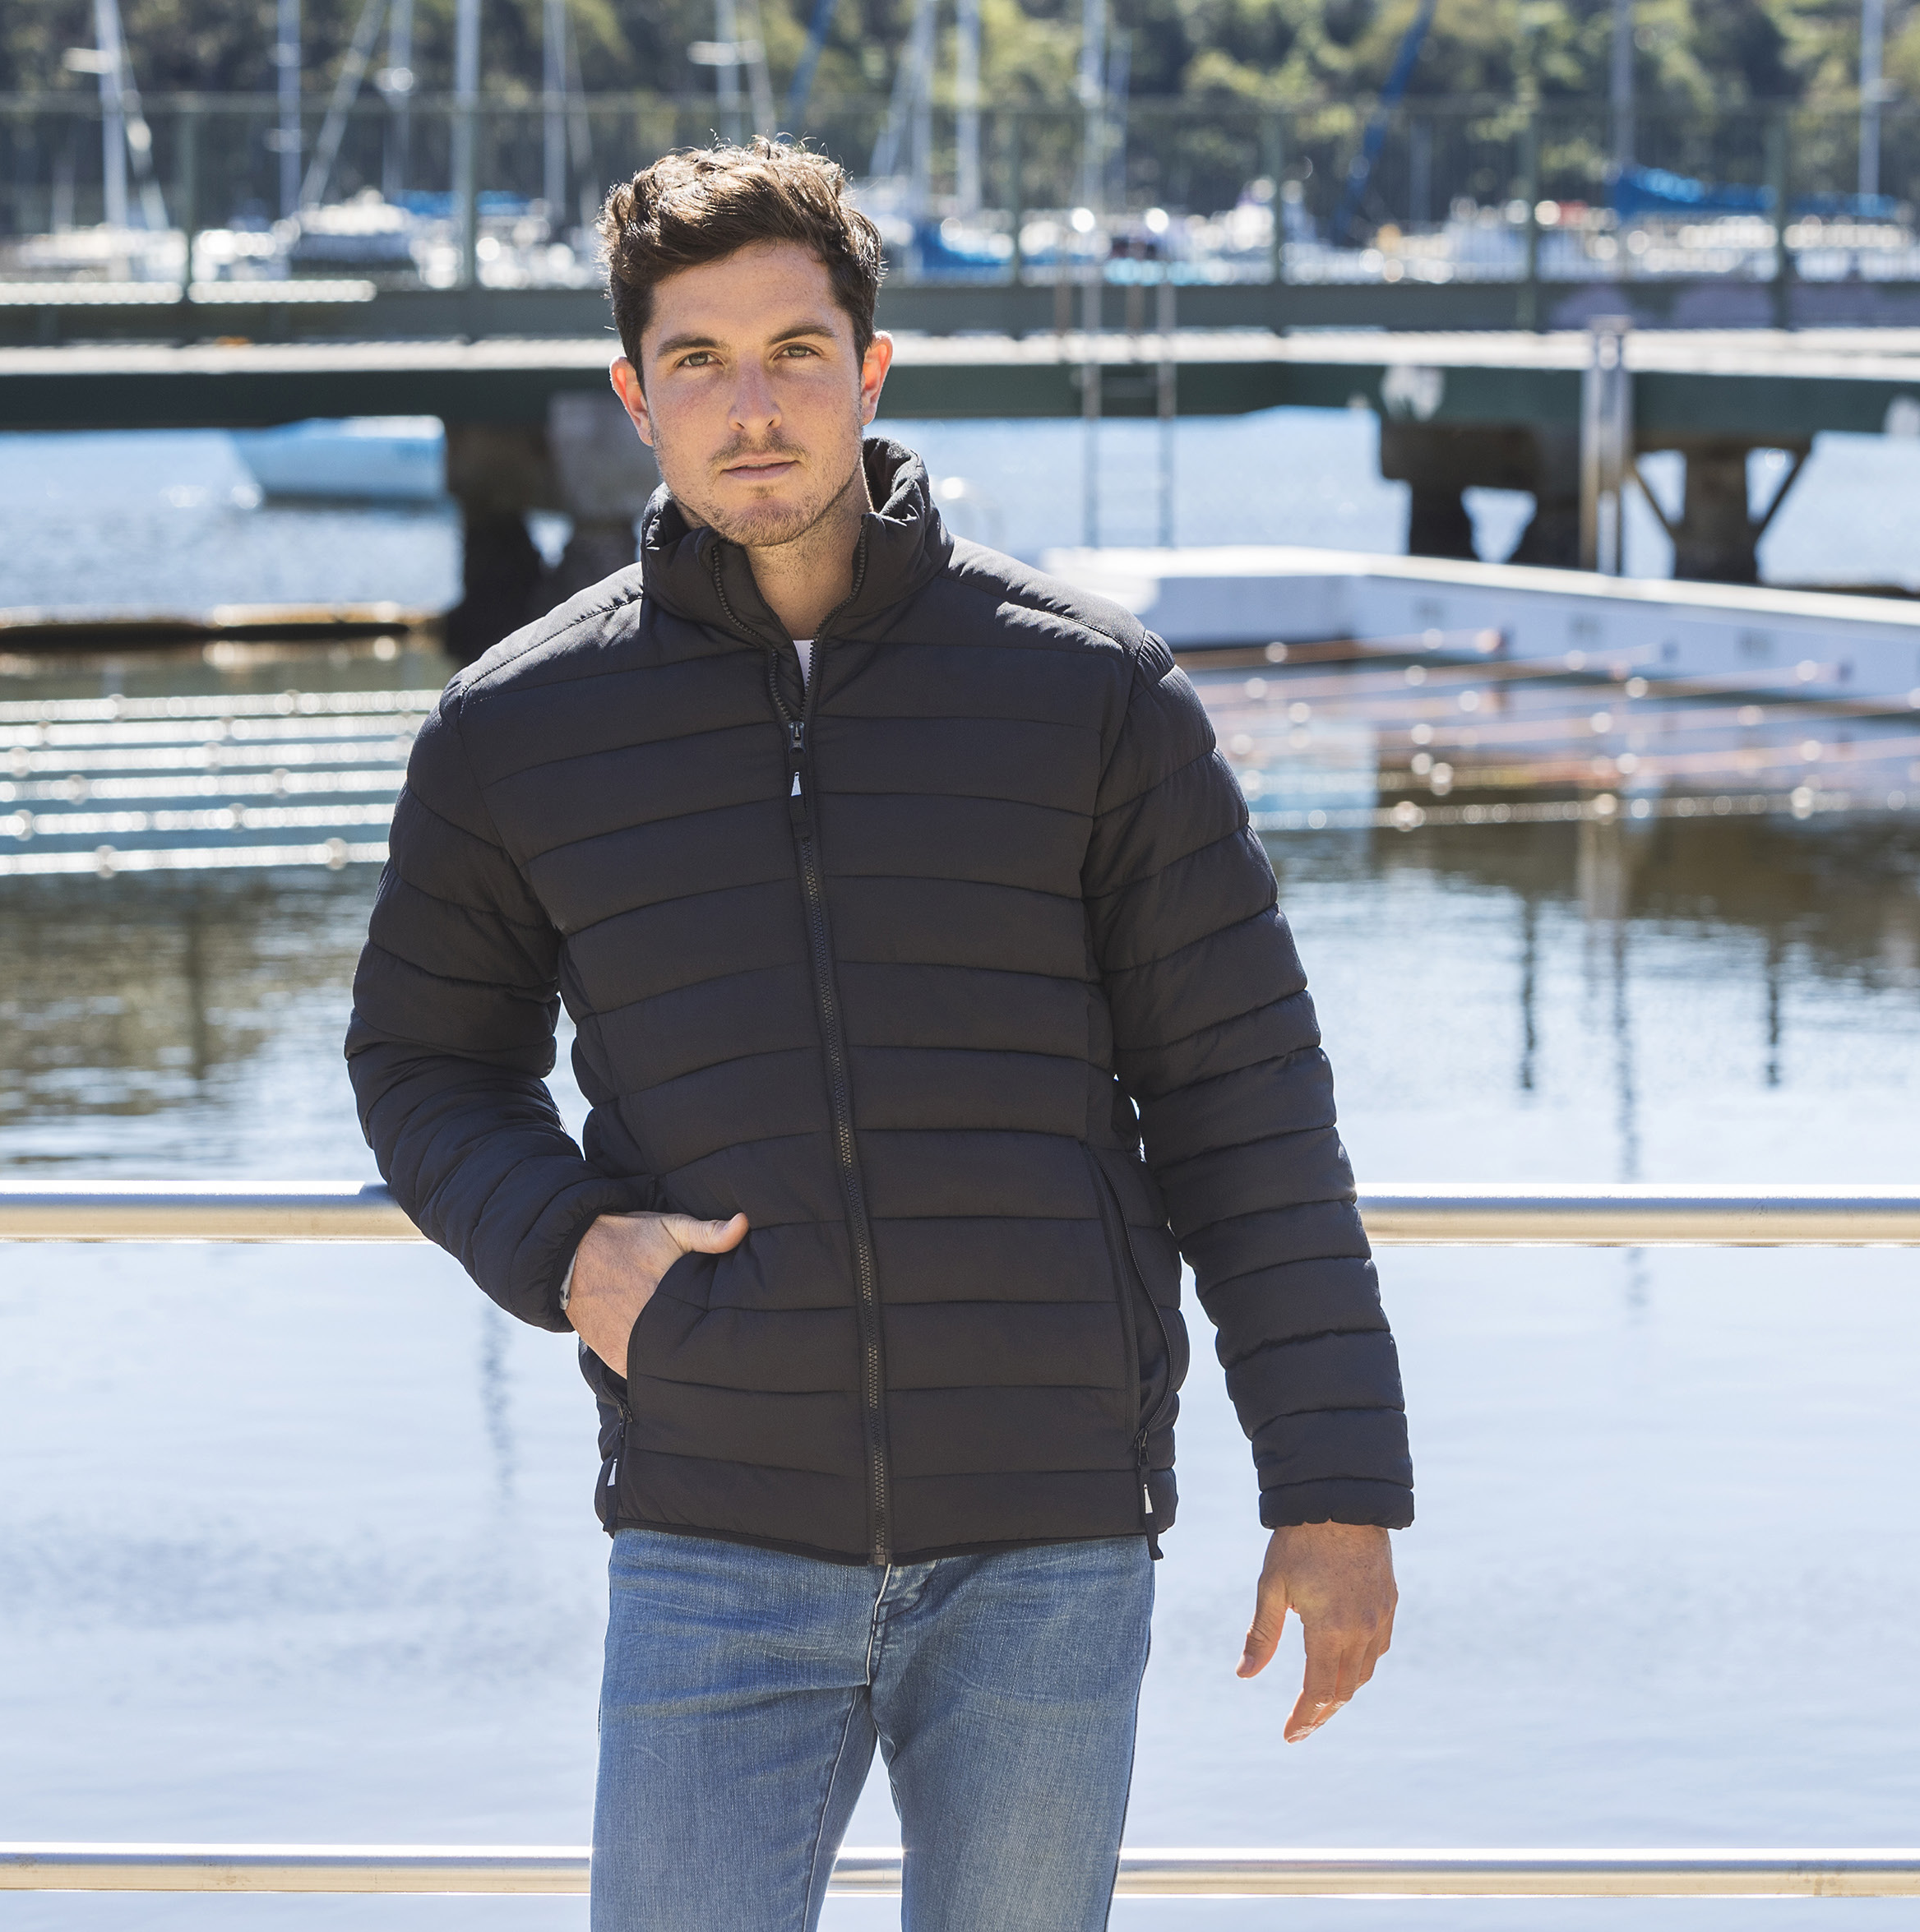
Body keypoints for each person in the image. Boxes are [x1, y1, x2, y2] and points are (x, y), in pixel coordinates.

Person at [346, 138, 1410, 1932]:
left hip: (1048, 1533)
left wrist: (1333, 1485)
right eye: (698, 362)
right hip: (713, 1521)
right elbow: (422, 1062)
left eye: (794, 352)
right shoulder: (516, 731)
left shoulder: (1092, 693)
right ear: (634, 398)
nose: (752, 408)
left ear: (872, 369)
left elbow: (1243, 1103)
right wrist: (570, 1251)